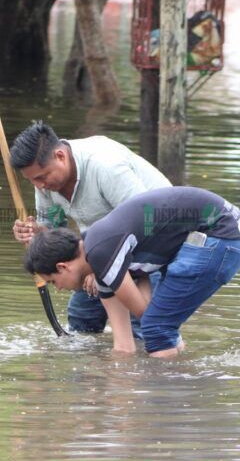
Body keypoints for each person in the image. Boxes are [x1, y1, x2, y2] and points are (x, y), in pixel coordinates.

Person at [23, 186, 240, 356]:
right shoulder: (100, 259)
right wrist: (119, 389)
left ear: (62, 266)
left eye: (53, 282)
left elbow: (145, 316)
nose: (59, 289)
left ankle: (167, 404)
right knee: (158, 327)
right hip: (208, 238)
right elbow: (123, 345)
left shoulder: (101, 252)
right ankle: (175, 382)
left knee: (157, 327)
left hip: (219, 233)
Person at [9, 121, 171, 335]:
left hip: (154, 244)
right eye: (32, 181)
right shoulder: (45, 183)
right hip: (101, 248)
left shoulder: (105, 166)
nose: (39, 186)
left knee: (143, 329)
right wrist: (39, 234)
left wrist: (102, 267)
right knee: (82, 318)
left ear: (60, 156)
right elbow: (54, 233)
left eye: (41, 177)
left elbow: (144, 225)